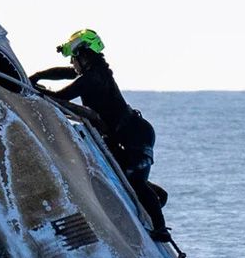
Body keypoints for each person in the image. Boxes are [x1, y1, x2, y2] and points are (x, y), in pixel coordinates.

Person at [30, 29, 172, 242]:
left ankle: (161, 230)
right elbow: (66, 73)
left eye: (74, 58)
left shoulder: (94, 77)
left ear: (83, 56)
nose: (72, 63)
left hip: (137, 135)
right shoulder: (93, 72)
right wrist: (38, 76)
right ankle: (158, 197)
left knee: (136, 181)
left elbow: (62, 96)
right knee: (127, 177)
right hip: (125, 136)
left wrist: (36, 88)